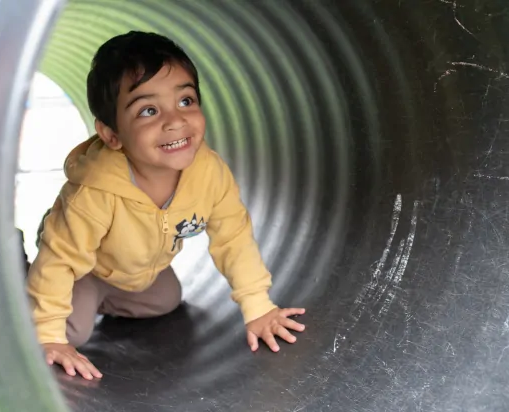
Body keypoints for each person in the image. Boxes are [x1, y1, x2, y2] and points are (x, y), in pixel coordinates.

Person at [25, 31, 306, 381]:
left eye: (186, 101)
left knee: (166, 300)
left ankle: (96, 301)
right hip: (83, 268)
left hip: (134, 270)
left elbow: (233, 237)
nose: (175, 120)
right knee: (69, 332)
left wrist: (258, 307)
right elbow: (60, 261)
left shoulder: (209, 174)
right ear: (112, 135)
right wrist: (49, 334)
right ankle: (22, 275)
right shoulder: (95, 193)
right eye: (148, 110)